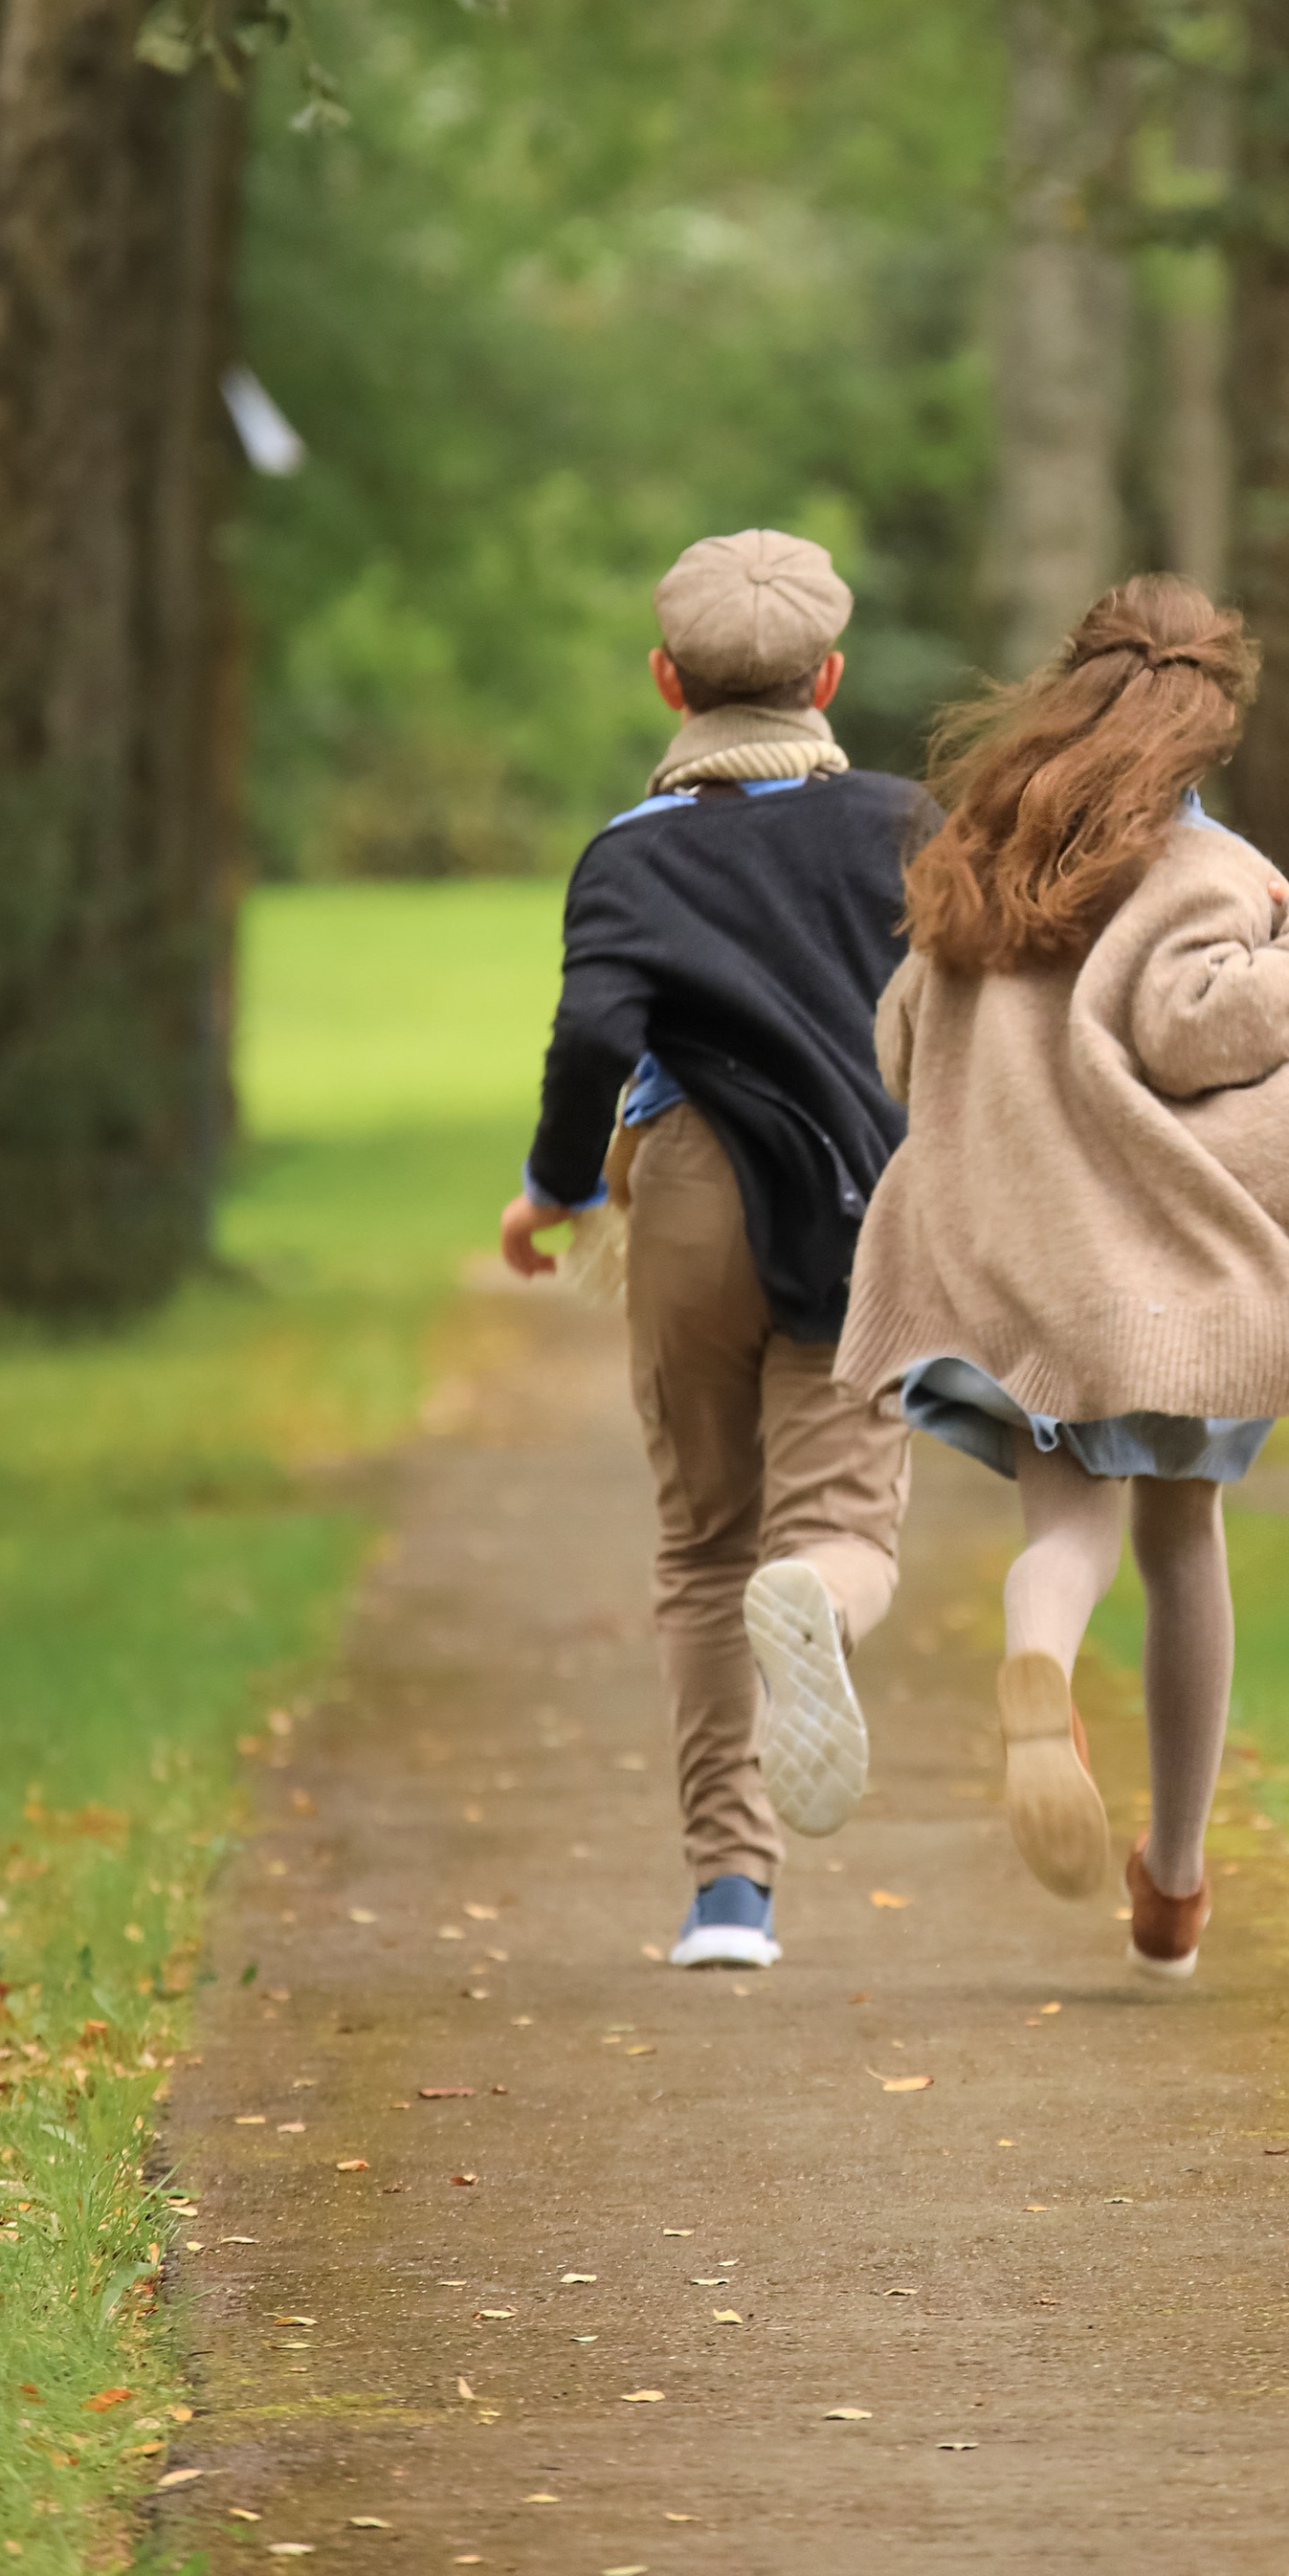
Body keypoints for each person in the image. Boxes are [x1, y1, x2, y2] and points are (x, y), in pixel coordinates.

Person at [834, 571, 1289, 1983]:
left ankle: (1040, 1651)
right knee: (1182, 1544)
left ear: (1071, 686)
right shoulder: (1205, 870)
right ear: (1212, 720)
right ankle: (1172, 1884)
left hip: (1021, 1269)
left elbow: (900, 1047)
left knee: (1066, 1531)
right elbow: (1199, 1033)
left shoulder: (980, 860)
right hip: (1169, 1278)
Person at [502, 528, 935, 1974]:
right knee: (844, 1528)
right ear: (830, 677)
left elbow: (593, 1037)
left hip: (686, 1196)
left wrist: (555, 1190)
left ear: (666, 680)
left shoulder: (630, 854)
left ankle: (729, 1897)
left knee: (702, 1544)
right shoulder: (904, 828)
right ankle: (820, 1604)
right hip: (858, 1209)